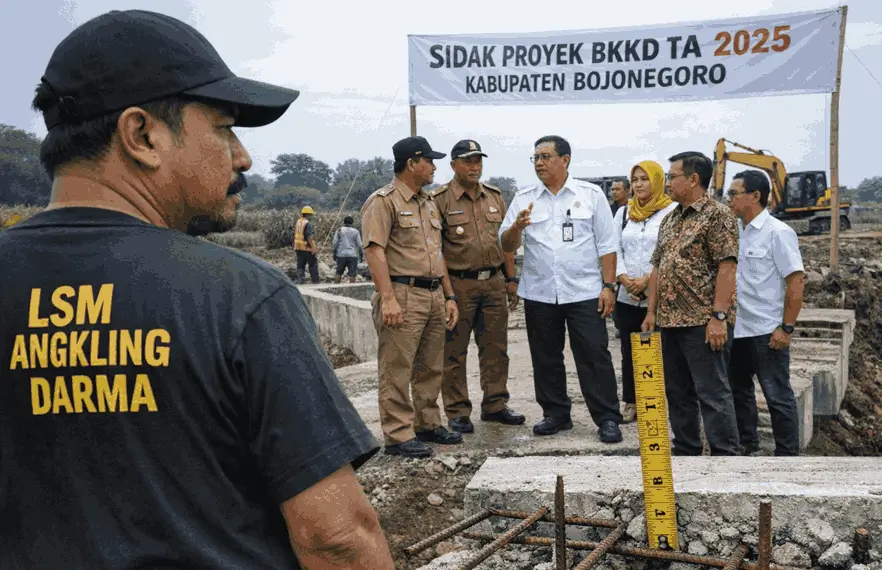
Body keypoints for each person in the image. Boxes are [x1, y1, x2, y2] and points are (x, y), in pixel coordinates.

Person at [0, 9, 394, 570]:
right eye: (224, 126)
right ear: (142, 135)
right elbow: (336, 538)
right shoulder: (242, 298)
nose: (242, 156)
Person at [500, 135, 623, 443]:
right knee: (545, 356)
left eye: (545, 156)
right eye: (535, 158)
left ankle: (607, 417)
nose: (539, 163)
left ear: (565, 159)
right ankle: (556, 414)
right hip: (540, 292)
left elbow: (608, 245)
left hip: (584, 291)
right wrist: (516, 227)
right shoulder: (524, 197)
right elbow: (506, 244)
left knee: (594, 355)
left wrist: (609, 286)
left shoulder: (591, 195)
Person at [361, 136, 462, 459]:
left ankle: (428, 423)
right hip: (402, 293)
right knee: (397, 367)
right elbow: (374, 250)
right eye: (429, 161)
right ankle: (398, 434)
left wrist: (449, 296)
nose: (434, 167)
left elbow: (437, 252)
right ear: (412, 164)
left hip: (432, 293)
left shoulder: (427, 202)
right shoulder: (383, 201)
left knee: (431, 366)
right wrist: (387, 298)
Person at [641, 151, 740, 456]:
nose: (668, 182)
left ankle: (726, 457)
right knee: (677, 392)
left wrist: (719, 317)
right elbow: (658, 267)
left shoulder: (718, 215)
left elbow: (727, 267)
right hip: (669, 323)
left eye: (672, 176)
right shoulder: (669, 219)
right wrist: (650, 313)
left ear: (694, 179)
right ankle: (686, 451)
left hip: (703, 323)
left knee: (712, 393)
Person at [432, 139, 525, 434]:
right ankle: (458, 411)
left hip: (494, 283)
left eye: (478, 161)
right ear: (454, 165)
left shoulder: (495, 197)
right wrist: (448, 294)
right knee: (454, 351)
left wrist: (510, 280)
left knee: (496, 348)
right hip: (460, 285)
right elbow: (436, 252)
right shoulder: (440, 200)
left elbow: (506, 244)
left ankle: (495, 405)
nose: (475, 166)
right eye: (468, 161)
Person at [727, 170, 805, 456]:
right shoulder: (734, 231)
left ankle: (787, 455)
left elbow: (795, 281)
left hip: (767, 331)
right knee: (739, 391)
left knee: (777, 395)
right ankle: (748, 445)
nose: (729, 199)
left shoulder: (778, 233)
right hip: (737, 329)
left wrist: (786, 328)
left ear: (755, 196)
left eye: (734, 193)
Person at [613, 160, 676, 423]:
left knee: (662, 349)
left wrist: (648, 280)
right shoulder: (624, 213)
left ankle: (660, 401)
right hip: (627, 295)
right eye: (635, 179)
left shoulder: (671, 212)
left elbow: (671, 252)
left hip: (659, 295)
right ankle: (632, 401)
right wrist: (626, 279)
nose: (639, 184)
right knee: (630, 350)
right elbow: (613, 248)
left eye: (644, 179)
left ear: (658, 181)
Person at [332, 215, 364, 283]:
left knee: (338, 272)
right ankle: (353, 289)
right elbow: (360, 245)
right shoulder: (356, 231)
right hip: (352, 255)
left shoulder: (339, 230)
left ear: (344, 222)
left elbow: (335, 243)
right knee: (352, 274)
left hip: (341, 255)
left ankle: (335, 288)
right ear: (352, 223)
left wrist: (334, 252)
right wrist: (361, 255)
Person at [294, 205, 320, 284]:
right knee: (313, 265)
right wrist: (313, 248)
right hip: (306, 248)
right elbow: (308, 236)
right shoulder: (307, 223)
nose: (311, 217)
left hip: (298, 248)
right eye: (311, 215)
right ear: (308, 215)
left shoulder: (298, 222)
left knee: (300, 265)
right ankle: (315, 281)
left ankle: (300, 281)